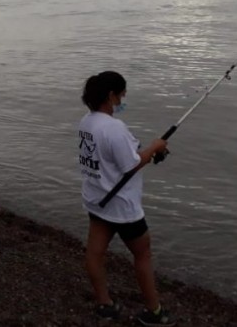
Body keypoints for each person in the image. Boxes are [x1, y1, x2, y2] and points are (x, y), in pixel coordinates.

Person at [77, 71, 175, 326]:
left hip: (98, 200)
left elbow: (113, 159)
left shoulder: (86, 122)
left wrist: (147, 153)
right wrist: (154, 147)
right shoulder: (114, 127)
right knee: (143, 254)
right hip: (122, 206)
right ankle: (154, 312)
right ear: (111, 96)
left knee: (95, 253)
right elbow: (130, 165)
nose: (123, 99)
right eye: (122, 95)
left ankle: (104, 304)